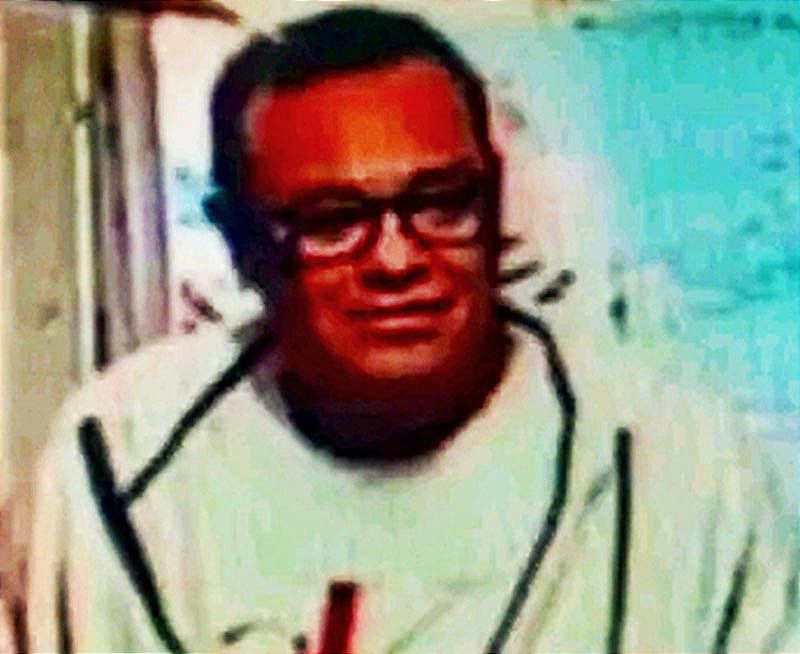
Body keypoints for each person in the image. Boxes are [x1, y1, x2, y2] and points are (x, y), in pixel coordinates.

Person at [27, 7, 798, 653]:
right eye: (333, 221)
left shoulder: (673, 467)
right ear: (241, 243)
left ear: (494, 206)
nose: (397, 260)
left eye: (442, 204)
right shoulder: (123, 464)